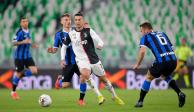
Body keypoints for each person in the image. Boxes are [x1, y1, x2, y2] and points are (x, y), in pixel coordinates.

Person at [61, 12, 124, 105]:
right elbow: (64, 46)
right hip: (81, 60)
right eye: (76, 20)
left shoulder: (89, 31)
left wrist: (100, 45)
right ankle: (99, 96)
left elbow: (100, 41)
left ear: (83, 21)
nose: (77, 22)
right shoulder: (71, 34)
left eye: (79, 20)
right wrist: (62, 59)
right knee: (85, 75)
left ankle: (114, 96)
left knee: (104, 80)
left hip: (93, 59)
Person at [133, 22, 186, 108]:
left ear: (146, 29)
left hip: (162, 61)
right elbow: (171, 48)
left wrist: (137, 64)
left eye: (141, 30)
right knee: (165, 75)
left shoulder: (145, 37)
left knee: (149, 76)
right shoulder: (162, 33)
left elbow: (142, 52)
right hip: (173, 60)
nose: (141, 32)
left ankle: (140, 101)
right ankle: (180, 93)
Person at [47, 13, 87, 106]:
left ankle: (81, 100)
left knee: (83, 77)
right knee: (65, 85)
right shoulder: (58, 35)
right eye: (65, 20)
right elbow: (56, 49)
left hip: (78, 61)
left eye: (69, 20)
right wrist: (52, 50)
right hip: (67, 63)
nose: (68, 21)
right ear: (61, 22)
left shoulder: (75, 30)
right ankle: (60, 81)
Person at [11, 16, 38, 100]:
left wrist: (32, 45)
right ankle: (13, 92)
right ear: (20, 23)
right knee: (19, 73)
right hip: (19, 57)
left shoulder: (29, 31)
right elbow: (14, 43)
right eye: (23, 21)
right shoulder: (19, 32)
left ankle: (17, 77)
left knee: (34, 71)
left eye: (26, 21)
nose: (25, 23)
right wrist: (23, 42)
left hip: (27, 56)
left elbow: (28, 42)